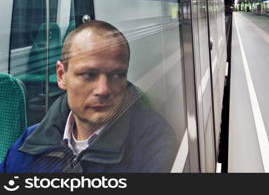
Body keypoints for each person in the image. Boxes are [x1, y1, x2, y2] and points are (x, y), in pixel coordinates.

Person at [0, 20, 177, 172]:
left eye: (116, 75)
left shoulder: (153, 144)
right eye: (88, 75)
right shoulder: (30, 142)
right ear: (62, 76)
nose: (103, 90)